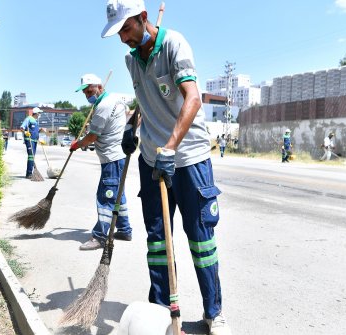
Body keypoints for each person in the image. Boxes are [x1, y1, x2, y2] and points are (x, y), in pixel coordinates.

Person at [102, 1, 229, 334]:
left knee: (201, 240)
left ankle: (214, 313)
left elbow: (193, 98)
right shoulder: (132, 61)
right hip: (150, 161)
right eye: (118, 33)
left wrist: (170, 147)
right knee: (157, 243)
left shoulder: (174, 44)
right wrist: (132, 127)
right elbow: (144, 102)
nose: (123, 39)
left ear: (144, 18)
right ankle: (162, 314)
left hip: (188, 159)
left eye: (126, 29)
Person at [71, 73, 132, 250]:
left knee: (106, 197)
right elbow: (128, 112)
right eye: (85, 93)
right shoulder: (116, 100)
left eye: (90, 91)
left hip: (111, 158)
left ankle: (99, 237)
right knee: (118, 195)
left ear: (100, 87)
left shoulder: (102, 107)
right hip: (119, 156)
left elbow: (92, 137)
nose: (88, 95)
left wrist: (77, 144)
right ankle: (125, 230)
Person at [20, 107, 46, 178]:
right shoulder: (28, 119)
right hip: (29, 140)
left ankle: (30, 172)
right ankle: (29, 173)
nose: (40, 115)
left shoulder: (36, 121)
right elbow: (22, 128)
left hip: (34, 141)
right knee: (31, 156)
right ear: (36, 113)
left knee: (33, 156)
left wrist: (40, 130)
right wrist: (25, 132)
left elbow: (35, 132)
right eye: (39, 113)